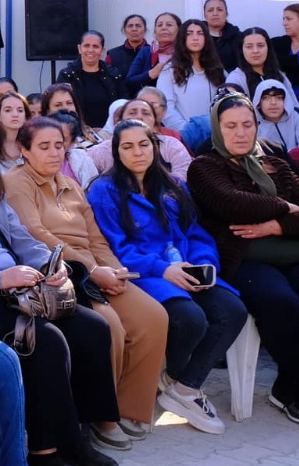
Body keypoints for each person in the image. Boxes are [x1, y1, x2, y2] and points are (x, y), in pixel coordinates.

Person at [187, 95, 299, 430]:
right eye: (231, 126)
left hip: (295, 253)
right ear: (217, 129)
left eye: (247, 124)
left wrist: (274, 225)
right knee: (284, 304)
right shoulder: (204, 167)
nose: (240, 133)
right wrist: (286, 207)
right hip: (246, 259)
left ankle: (288, 385)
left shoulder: (274, 162)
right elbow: (231, 203)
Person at [2, 118, 167, 444]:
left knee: (153, 317)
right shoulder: (16, 183)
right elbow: (38, 236)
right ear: (24, 150)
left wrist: (116, 270)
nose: (53, 153)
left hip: (95, 268)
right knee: (110, 326)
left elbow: (95, 237)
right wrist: (92, 270)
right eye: (44, 147)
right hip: (60, 272)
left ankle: (127, 407)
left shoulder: (70, 184)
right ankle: (101, 417)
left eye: (59, 145)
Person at [0, 137, 115, 466]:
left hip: (28, 291)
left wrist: (50, 266)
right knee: (46, 343)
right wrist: (2, 281)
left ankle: (76, 438)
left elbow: (24, 240)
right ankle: (43, 457)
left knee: (92, 328)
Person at [86, 121, 247, 435]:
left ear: (154, 146)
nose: (137, 152)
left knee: (233, 310)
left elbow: (195, 232)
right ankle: (172, 376)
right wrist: (162, 269)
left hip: (185, 267)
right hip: (146, 273)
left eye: (143, 144)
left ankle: (184, 388)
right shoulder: (104, 191)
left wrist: (203, 264)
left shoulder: (173, 184)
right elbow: (116, 247)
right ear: (116, 152)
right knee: (190, 318)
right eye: (127, 146)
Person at [87, 97, 191, 180]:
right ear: (120, 120)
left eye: (146, 113)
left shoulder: (171, 145)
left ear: (155, 122)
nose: (139, 117)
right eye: (132, 113)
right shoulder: (102, 150)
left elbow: (183, 177)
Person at [157, 19, 228, 129]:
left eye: (200, 33)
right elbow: (166, 107)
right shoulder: (169, 70)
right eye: (189, 34)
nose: (195, 38)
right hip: (184, 135)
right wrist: (187, 131)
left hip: (216, 135)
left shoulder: (218, 70)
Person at [61, 32, 122, 130]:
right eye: (86, 46)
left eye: (95, 46)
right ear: (79, 48)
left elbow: (122, 105)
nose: (90, 50)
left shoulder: (114, 75)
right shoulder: (67, 75)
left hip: (108, 133)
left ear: (102, 50)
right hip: (75, 132)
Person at [226, 28, 299, 110]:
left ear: (268, 48)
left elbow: (295, 109)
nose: (255, 51)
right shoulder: (236, 79)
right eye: (249, 47)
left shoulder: (280, 75)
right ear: (241, 50)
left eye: (260, 46)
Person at [254, 84, 299, 151]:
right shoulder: (253, 123)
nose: (273, 103)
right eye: (266, 98)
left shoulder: (295, 117)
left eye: (279, 98)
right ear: (258, 103)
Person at [105, 14, 148, 90]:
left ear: (145, 30)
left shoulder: (153, 53)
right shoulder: (112, 55)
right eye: (130, 26)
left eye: (138, 26)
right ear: (124, 31)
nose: (134, 29)